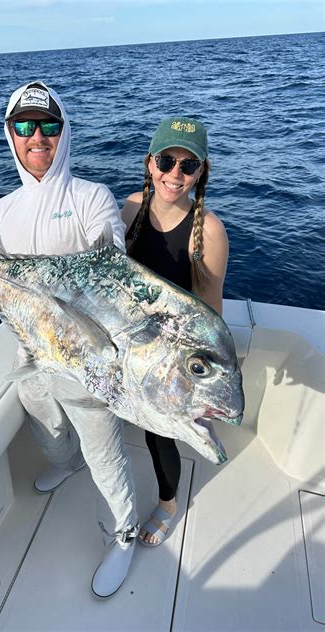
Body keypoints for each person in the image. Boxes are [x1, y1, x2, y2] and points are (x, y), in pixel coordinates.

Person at [0, 81, 139, 598]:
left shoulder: (91, 197)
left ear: (63, 132)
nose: (37, 137)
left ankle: (124, 534)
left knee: (105, 451)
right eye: (23, 126)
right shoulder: (1, 211)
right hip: (30, 351)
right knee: (45, 427)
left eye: (48, 126)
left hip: (84, 360)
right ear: (10, 136)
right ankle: (63, 463)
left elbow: (110, 258)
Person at [121, 116, 228, 546]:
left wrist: (196, 384)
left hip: (174, 348)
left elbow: (210, 317)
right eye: (167, 161)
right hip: (133, 334)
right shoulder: (130, 209)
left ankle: (168, 503)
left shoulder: (211, 233)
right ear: (150, 163)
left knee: (158, 429)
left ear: (200, 172)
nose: (175, 174)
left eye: (188, 166)